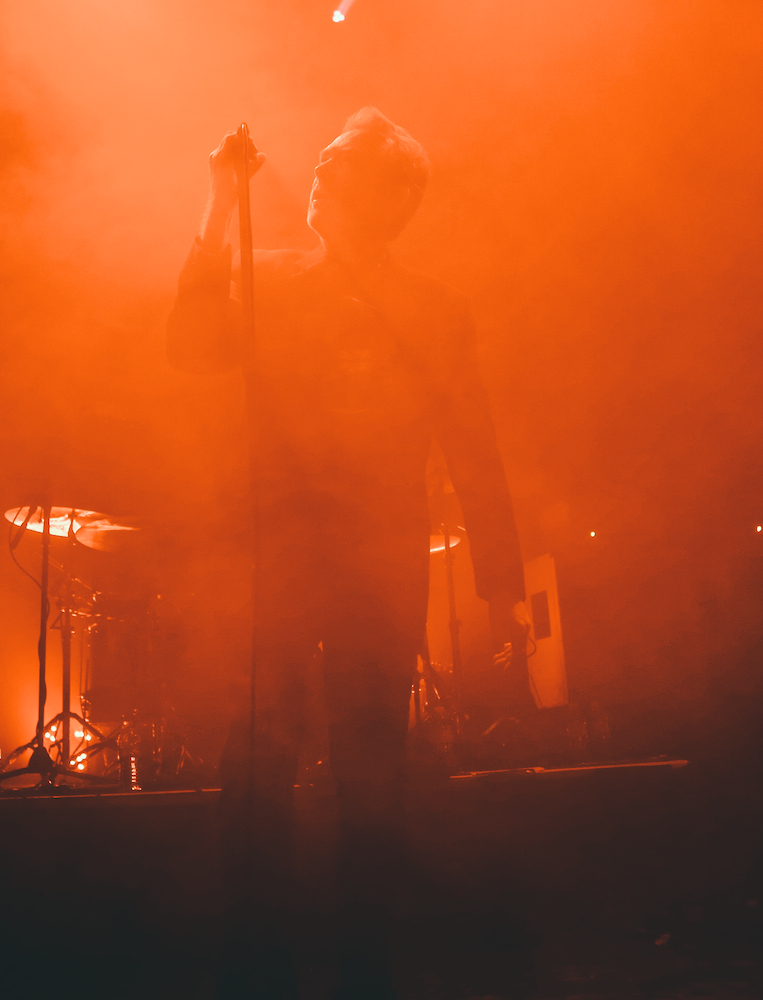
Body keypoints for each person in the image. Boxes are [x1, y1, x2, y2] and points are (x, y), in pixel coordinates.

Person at [168, 108, 529, 999]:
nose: (316, 177)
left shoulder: (433, 310)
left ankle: (365, 967)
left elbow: (472, 441)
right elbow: (190, 348)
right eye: (321, 161)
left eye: (335, 166)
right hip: (282, 555)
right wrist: (219, 206)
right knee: (259, 756)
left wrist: (502, 583)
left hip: (376, 561)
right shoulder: (275, 278)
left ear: (382, 197)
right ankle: (255, 967)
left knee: (373, 768)